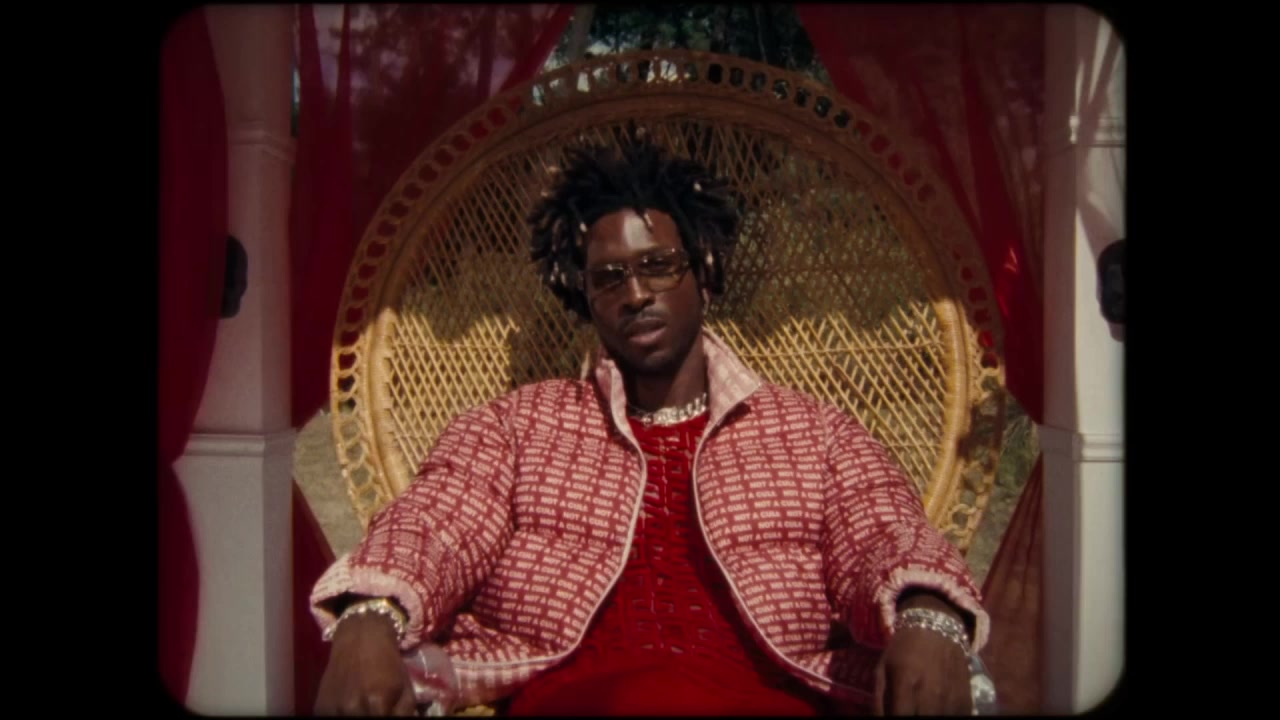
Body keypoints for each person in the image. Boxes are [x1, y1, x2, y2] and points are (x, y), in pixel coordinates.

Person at [311, 128, 991, 716]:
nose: (634, 293)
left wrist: (928, 615)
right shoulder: (515, 427)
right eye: (608, 278)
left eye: (657, 266)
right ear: (585, 296)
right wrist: (370, 617)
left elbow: (882, 530)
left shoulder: (815, 433)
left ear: (705, 271)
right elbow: (435, 523)